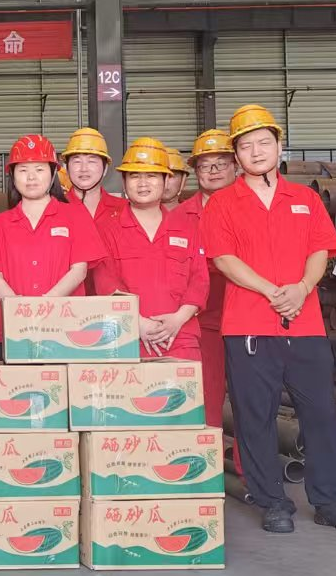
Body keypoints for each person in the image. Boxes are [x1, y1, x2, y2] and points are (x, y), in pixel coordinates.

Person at [204, 104, 336, 535]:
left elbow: (321, 250)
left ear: (279, 147)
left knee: (321, 413)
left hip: (304, 322)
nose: (256, 151)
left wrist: (301, 288)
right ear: (236, 155)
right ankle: (272, 501)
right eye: (246, 146)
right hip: (248, 325)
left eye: (264, 142)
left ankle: (330, 501)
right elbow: (223, 258)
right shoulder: (222, 203)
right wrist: (269, 291)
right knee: (253, 416)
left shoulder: (305, 199)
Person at [90, 138, 206, 361]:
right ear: (124, 182)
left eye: (151, 176)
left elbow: (199, 280)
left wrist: (178, 320)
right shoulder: (106, 228)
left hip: (180, 338)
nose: (143, 183)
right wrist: (138, 323)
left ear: (166, 180)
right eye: (135, 176)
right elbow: (106, 282)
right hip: (125, 338)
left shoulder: (186, 227)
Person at [0, 134, 106, 298]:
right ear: (13, 175)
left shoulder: (76, 216)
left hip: (64, 312)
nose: (31, 177)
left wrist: (47, 302)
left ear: (53, 174)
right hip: (15, 313)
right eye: (23, 170)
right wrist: (15, 305)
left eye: (39, 169)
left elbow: (79, 270)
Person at [183, 127, 239, 427]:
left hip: (248, 315)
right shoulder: (180, 216)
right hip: (202, 320)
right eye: (205, 165)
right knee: (206, 396)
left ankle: (249, 459)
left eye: (221, 163)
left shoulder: (254, 209)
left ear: (235, 166)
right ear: (196, 172)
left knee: (251, 399)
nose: (213, 171)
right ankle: (210, 455)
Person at [61, 127, 128, 222]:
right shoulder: (54, 209)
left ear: (105, 168)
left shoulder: (125, 209)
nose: (84, 169)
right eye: (77, 161)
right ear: (67, 168)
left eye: (91, 161)